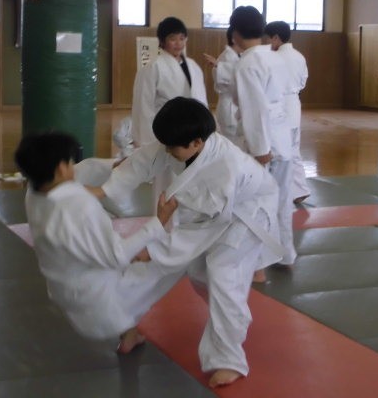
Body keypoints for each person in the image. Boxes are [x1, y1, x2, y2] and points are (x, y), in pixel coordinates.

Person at [92, 97, 283, 388]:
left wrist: (153, 249)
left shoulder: (223, 168)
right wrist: (104, 190)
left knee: (223, 273)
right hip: (214, 213)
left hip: (249, 214)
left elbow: (202, 230)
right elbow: (143, 161)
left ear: (196, 142)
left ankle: (229, 358)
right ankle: (131, 324)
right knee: (197, 272)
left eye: (172, 148)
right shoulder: (182, 141)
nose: (167, 152)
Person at [14, 131, 182, 354]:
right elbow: (117, 256)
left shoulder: (34, 194)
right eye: (70, 163)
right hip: (100, 304)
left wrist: (117, 166)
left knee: (131, 253)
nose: (73, 167)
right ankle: (126, 323)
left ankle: (130, 334)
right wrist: (158, 222)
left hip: (66, 293)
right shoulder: (79, 206)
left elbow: (85, 169)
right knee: (175, 256)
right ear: (61, 168)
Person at [229, 6, 296, 268]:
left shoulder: (247, 63)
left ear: (235, 33)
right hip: (282, 136)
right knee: (282, 199)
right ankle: (285, 254)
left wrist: (260, 149)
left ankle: (259, 261)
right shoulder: (275, 57)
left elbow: (254, 108)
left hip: (265, 142)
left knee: (255, 203)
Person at [131, 16, 208, 147]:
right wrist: (143, 140)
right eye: (173, 39)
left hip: (193, 129)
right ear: (162, 41)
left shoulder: (193, 66)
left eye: (182, 38)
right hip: (166, 129)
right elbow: (143, 105)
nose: (178, 43)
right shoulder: (153, 67)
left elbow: (201, 98)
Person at [264, 20, 311, 204]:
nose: (267, 43)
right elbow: (303, 81)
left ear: (276, 38)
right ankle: (300, 189)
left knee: (277, 150)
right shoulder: (299, 56)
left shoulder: (274, 58)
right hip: (293, 103)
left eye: (268, 39)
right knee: (293, 148)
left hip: (279, 105)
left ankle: (277, 191)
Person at [203, 27, 242, 145]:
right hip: (230, 108)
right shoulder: (227, 57)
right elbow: (236, 78)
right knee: (232, 144)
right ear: (235, 39)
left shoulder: (236, 56)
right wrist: (218, 65)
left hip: (234, 106)